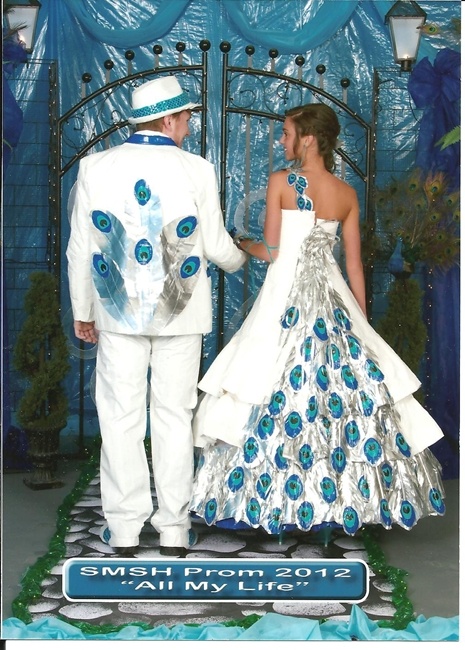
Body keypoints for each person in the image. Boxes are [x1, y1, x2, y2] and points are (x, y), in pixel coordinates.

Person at [190, 102, 446, 539]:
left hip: (283, 297)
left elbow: (272, 252)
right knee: (335, 395)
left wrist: (238, 243)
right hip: (333, 301)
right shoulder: (346, 194)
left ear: (308, 138)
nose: (281, 141)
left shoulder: (281, 183)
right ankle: (339, 506)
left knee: (263, 379)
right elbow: (355, 266)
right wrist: (361, 325)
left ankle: (268, 505)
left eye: (287, 133)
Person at [67, 75, 246, 557]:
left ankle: (124, 530)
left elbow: (81, 248)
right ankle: (174, 530)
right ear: (168, 119)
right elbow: (213, 245)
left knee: (120, 417)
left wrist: (83, 310)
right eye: (186, 117)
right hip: (180, 312)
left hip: (116, 311)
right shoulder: (197, 169)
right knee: (173, 416)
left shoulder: (94, 167)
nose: (188, 126)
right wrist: (246, 257)